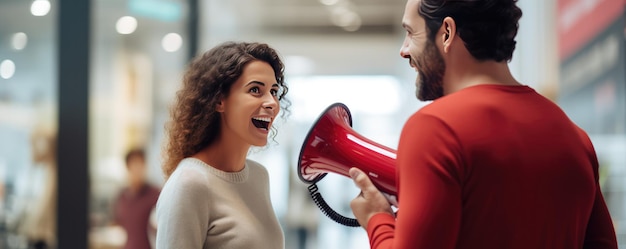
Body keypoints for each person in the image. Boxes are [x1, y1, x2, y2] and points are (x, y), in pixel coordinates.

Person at [348, 0, 619, 248]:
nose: (404, 50)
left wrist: (378, 219)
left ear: (446, 32)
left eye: (410, 32)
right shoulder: (574, 137)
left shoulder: (434, 128)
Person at [155, 41, 289, 249]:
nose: (272, 102)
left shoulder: (259, 176)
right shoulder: (189, 183)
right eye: (255, 89)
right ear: (219, 100)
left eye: (273, 91)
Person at [113, 148, 161, 249]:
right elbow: (117, 224)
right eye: (134, 165)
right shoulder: (122, 197)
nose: (138, 170)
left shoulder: (155, 194)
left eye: (141, 165)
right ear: (128, 167)